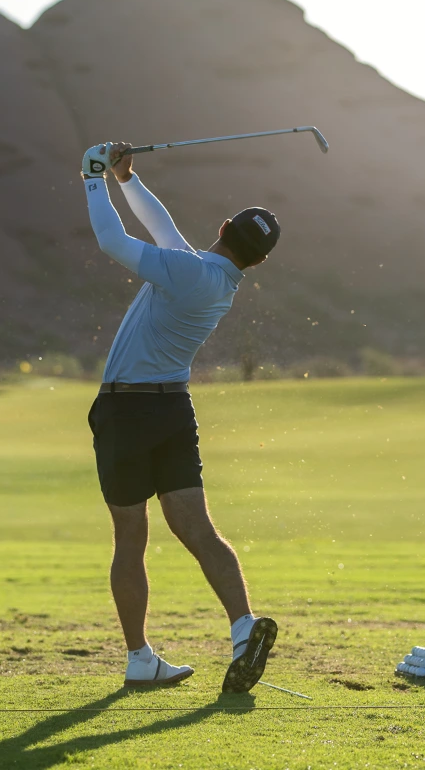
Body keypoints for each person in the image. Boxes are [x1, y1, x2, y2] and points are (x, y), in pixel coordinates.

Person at [80, 141, 279, 693]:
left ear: (221, 226)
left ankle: (140, 657)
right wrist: (127, 181)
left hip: (127, 409)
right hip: (174, 408)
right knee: (197, 528)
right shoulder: (215, 280)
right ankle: (243, 629)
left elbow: (110, 240)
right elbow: (164, 232)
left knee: (130, 535)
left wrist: (93, 175)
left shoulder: (188, 273)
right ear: (257, 261)